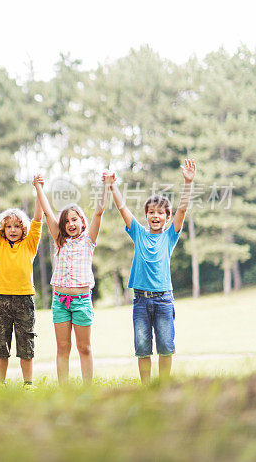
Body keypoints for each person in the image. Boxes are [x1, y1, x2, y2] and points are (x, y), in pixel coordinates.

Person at [107, 159, 196, 384]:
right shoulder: (138, 233)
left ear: (167, 218)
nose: (155, 216)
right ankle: (147, 387)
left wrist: (188, 182)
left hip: (164, 300)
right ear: (146, 216)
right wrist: (112, 186)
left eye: (160, 213)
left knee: (166, 346)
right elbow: (122, 208)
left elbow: (183, 209)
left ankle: (163, 386)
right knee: (143, 348)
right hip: (140, 301)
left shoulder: (170, 237)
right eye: (151, 212)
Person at [35, 173, 110, 384]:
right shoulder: (60, 241)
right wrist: (39, 187)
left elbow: (99, 212)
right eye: (66, 221)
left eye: (74, 219)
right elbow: (48, 214)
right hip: (60, 301)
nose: (70, 224)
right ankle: (64, 388)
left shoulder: (89, 241)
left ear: (82, 222)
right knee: (62, 347)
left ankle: (87, 386)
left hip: (82, 301)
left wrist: (105, 185)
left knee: (84, 347)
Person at [0, 175, 43, 386]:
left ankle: (28, 383)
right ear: (3, 229)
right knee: (1, 343)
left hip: (25, 298)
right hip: (1, 298)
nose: (13, 230)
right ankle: (1, 384)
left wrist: (38, 190)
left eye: (17, 226)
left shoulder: (30, 243)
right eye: (8, 227)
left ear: (23, 229)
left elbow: (38, 219)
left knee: (26, 343)